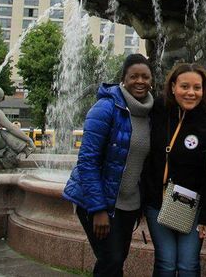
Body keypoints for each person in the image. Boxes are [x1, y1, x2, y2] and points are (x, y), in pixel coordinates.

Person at [62, 54, 154, 277]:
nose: (140, 81)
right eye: (134, 76)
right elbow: (87, 161)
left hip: (128, 204)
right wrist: (98, 209)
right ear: (123, 79)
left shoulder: (151, 112)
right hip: (100, 201)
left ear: (152, 80)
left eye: (145, 76)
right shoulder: (106, 108)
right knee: (111, 259)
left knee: (115, 261)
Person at [144, 63, 206, 277]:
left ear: (204, 90)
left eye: (197, 88)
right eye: (184, 86)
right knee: (166, 263)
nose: (191, 93)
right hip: (157, 201)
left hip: (191, 205)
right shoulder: (158, 110)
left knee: (188, 265)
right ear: (173, 86)